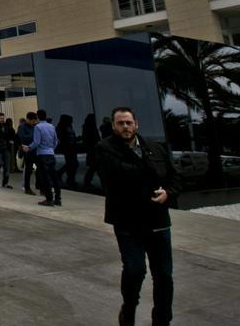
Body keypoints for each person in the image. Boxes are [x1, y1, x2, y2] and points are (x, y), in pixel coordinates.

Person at [94, 107, 181, 326]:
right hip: (128, 223)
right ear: (113, 126)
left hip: (158, 222)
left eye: (128, 122)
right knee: (135, 270)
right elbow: (116, 178)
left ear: (136, 124)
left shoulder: (155, 148)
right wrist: (151, 176)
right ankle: (129, 307)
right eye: (120, 123)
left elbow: (174, 177)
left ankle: (162, 320)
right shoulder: (105, 149)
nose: (125, 126)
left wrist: (168, 193)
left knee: (163, 276)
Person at [23, 110, 61, 206]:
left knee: (45, 178)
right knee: (54, 177)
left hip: (42, 154)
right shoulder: (51, 126)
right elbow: (56, 141)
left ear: (37, 117)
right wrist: (51, 149)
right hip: (51, 154)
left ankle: (49, 199)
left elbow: (36, 142)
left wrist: (28, 148)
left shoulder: (38, 127)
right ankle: (58, 199)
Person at [57, 114, 79, 188]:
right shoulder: (61, 127)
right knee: (71, 163)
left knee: (74, 164)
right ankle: (68, 178)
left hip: (72, 147)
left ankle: (70, 178)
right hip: (67, 148)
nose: (72, 121)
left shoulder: (69, 126)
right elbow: (61, 138)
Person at [17, 115, 36, 194]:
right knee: (28, 168)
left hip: (34, 149)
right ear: (28, 119)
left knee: (36, 169)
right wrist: (33, 137)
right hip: (27, 149)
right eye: (32, 121)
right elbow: (22, 137)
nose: (33, 123)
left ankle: (39, 186)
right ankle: (26, 187)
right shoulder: (22, 126)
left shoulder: (34, 126)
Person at [82, 113, 100, 189]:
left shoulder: (86, 127)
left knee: (93, 167)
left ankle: (87, 181)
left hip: (92, 149)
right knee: (95, 167)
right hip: (93, 150)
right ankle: (87, 181)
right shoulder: (91, 127)